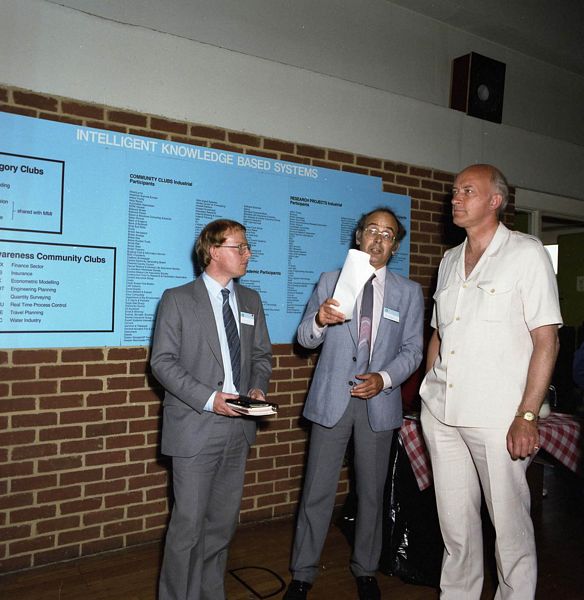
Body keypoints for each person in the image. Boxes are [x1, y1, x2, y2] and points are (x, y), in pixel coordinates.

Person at [420, 164, 562, 599]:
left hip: (498, 418)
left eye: (467, 191)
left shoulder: (526, 253)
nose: (455, 199)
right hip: (442, 415)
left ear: (495, 201)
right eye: (454, 192)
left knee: (510, 528)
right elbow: (440, 335)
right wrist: (428, 390)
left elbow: (546, 340)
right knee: (456, 529)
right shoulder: (447, 261)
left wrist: (526, 415)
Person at [284, 208, 424, 600]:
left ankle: (365, 569)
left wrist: (384, 378)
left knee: (371, 492)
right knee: (316, 490)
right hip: (332, 400)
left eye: (388, 235)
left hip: (378, 403)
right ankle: (303, 572)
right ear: (359, 237)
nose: (378, 240)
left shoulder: (408, 292)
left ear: (394, 246)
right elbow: (305, 339)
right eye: (372, 232)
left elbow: (414, 350)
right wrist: (319, 321)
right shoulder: (331, 281)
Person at [151, 219, 272, 600]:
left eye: (247, 246)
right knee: (187, 527)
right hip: (196, 425)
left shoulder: (251, 300)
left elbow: (261, 356)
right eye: (240, 247)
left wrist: (257, 386)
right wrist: (209, 398)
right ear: (214, 250)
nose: (248, 253)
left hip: (238, 430)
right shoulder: (177, 299)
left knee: (221, 527)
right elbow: (163, 362)